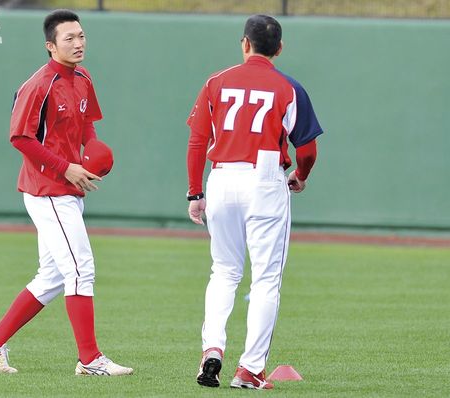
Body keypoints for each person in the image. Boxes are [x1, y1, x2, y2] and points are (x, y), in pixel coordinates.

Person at [0, 9, 133, 377]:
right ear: (50, 45)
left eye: (81, 36)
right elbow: (19, 137)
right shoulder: (38, 85)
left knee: (54, 276)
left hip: (69, 187)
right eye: (69, 39)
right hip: (47, 190)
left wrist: (91, 155)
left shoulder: (83, 77)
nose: (78, 43)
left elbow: (88, 124)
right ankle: (90, 360)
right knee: (80, 269)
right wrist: (66, 167)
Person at [186, 14, 322, 389]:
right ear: (279, 48)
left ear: (244, 43)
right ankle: (249, 369)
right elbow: (307, 149)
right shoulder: (289, 87)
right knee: (265, 280)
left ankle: (212, 348)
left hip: (222, 176)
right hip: (264, 179)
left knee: (224, 271)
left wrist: (196, 192)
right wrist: (301, 176)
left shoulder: (217, 81)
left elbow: (198, 142)